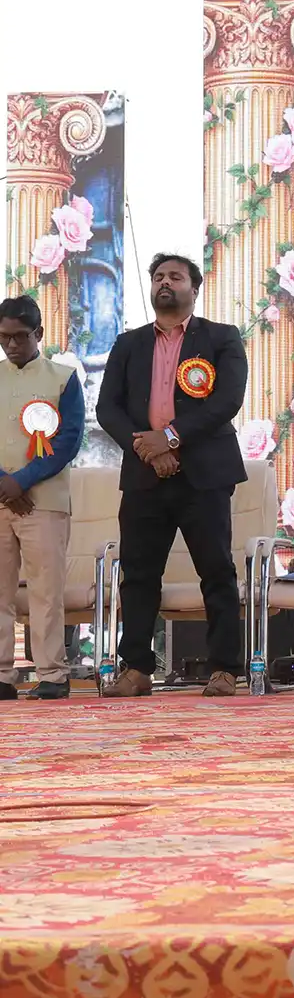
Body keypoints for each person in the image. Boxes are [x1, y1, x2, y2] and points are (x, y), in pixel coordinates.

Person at [97, 253, 247, 697]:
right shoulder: (129, 343)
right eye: (159, 276)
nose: (165, 282)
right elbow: (108, 408)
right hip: (145, 476)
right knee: (139, 575)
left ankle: (224, 669)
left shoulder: (220, 337)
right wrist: (148, 448)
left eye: (175, 277)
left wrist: (171, 438)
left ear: (194, 289)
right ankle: (137, 669)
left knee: (216, 571)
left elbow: (226, 401)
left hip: (203, 475)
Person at [0, 296, 86, 702]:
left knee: (45, 591)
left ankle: (53, 674)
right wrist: (6, 485)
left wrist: (22, 482)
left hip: (45, 501)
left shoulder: (63, 379)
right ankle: (2, 676)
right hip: (2, 499)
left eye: (20, 336)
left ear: (39, 333)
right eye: (4, 337)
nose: (11, 344)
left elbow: (68, 440)